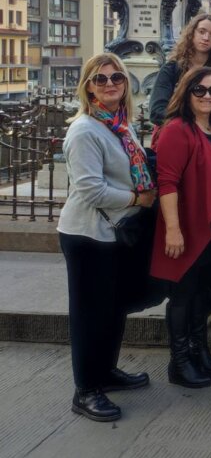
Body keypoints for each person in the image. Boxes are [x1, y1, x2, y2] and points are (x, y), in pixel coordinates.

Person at [58, 54, 157, 422]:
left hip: (114, 233)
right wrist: (137, 199)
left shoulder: (119, 125)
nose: (110, 83)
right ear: (88, 87)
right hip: (87, 235)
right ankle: (86, 390)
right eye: (100, 79)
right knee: (89, 314)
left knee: (112, 309)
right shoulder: (85, 130)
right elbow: (90, 190)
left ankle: (106, 372)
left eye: (117, 77)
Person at [152, 66, 211, 389]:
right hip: (187, 225)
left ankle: (198, 348)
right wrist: (173, 230)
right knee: (183, 294)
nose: (207, 96)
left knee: (204, 292)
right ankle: (179, 361)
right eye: (199, 90)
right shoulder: (176, 130)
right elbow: (167, 182)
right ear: (187, 92)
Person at [149, 13, 211, 127]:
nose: (206, 38)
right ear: (192, 33)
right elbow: (157, 110)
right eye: (201, 32)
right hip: (177, 131)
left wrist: (206, 128)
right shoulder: (171, 69)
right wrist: (188, 125)